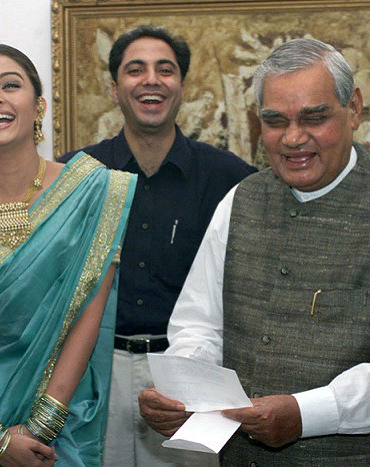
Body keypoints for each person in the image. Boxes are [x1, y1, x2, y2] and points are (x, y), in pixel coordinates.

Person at [139, 37, 370, 464]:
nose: (294, 138)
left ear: (353, 108)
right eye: (275, 121)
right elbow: (200, 325)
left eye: (314, 118)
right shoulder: (240, 199)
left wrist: (308, 414)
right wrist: (180, 391)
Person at [0, 43, 136, 466]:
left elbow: (87, 318)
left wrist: (41, 426)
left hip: (61, 425)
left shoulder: (94, 192)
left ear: (39, 105)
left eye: (10, 85)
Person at [59, 25, 256, 465]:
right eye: (135, 70)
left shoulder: (231, 180)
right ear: (114, 89)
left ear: (181, 86)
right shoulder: (74, 175)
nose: (151, 80)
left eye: (164, 70)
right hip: (94, 373)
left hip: (191, 377)